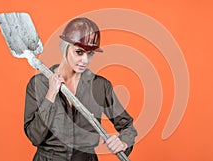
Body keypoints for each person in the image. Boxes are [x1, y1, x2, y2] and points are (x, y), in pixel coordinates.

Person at [24, 17, 137, 161]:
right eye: (79, 52)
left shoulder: (100, 86)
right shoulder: (38, 84)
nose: (85, 60)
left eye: (90, 54)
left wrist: (123, 142)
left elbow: (127, 127)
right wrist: (50, 95)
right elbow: (35, 137)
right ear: (64, 48)